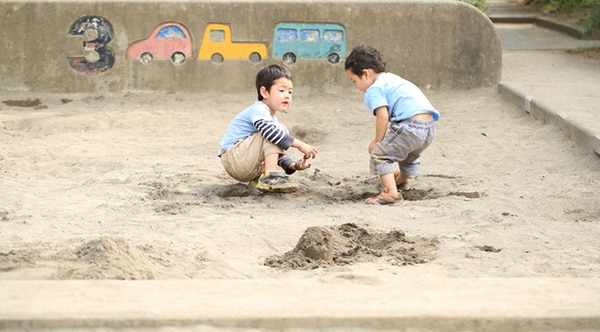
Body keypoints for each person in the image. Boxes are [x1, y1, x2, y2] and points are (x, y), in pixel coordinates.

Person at [344, 44, 439, 205]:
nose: (356, 86)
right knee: (409, 155)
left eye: (354, 81)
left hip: (410, 126)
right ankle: (401, 181)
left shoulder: (374, 89)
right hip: (429, 128)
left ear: (365, 74)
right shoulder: (392, 79)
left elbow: (382, 116)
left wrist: (377, 141)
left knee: (380, 155)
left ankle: (393, 194)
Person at [218, 64, 318, 193]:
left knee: (277, 133)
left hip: (246, 164)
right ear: (264, 92)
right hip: (235, 158)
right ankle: (270, 177)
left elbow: (272, 150)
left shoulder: (270, 119)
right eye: (282, 91)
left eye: (290, 92)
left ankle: (259, 178)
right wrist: (299, 144)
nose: (287, 95)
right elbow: (270, 134)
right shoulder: (259, 109)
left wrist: (293, 165)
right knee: (276, 131)